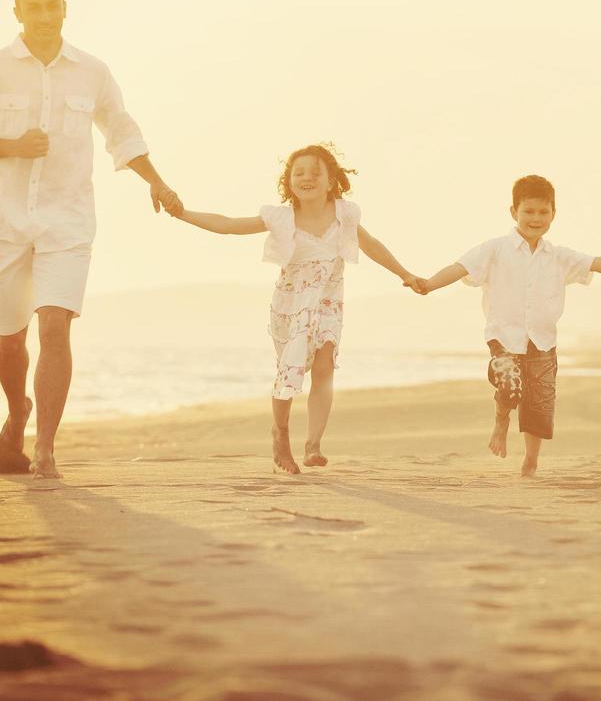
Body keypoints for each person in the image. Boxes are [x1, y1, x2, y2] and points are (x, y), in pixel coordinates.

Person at [0, 0, 182, 479]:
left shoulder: (92, 72)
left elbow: (122, 130)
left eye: (53, 5)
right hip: (4, 222)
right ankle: (16, 412)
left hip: (68, 222)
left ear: (65, 6)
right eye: (35, 8)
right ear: (18, 14)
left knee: (54, 326)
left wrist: (155, 181)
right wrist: (12, 146)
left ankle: (47, 448)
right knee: (11, 341)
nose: (46, 16)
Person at [170, 144, 421, 474]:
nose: (307, 178)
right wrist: (183, 213)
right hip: (291, 304)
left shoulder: (344, 214)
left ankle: (314, 443)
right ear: (288, 181)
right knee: (290, 370)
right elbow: (229, 225)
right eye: (298, 173)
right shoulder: (280, 217)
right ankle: (281, 433)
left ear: (331, 181)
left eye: (316, 172)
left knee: (325, 363)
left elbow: (371, 245)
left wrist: (405, 274)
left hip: (329, 301)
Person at [415, 175, 601, 478]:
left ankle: (531, 461)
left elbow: (597, 262)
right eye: (528, 212)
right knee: (509, 383)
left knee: (539, 404)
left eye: (543, 212)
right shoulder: (494, 249)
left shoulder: (560, 257)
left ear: (553, 214)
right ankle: (501, 420)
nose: (536, 219)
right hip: (504, 337)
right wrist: (429, 284)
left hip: (543, 341)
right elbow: (460, 268)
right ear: (514, 212)